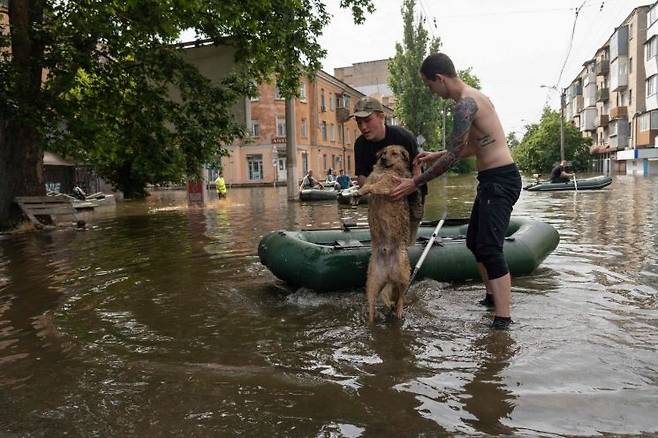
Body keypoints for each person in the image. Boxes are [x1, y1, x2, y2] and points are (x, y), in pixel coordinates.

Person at [390, 53, 522, 330]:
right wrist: (435, 154)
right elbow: (473, 147)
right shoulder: (476, 98)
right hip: (492, 180)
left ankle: (503, 319)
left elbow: (453, 157)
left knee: (488, 246)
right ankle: (491, 298)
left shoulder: (464, 105)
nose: (432, 92)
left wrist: (414, 182)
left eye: (429, 86)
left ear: (439, 78)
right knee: (475, 241)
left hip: (500, 180)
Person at [351, 96, 426, 244]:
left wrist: (410, 185)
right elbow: (361, 177)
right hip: (380, 197)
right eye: (359, 122)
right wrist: (374, 189)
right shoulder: (360, 144)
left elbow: (418, 171)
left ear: (381, 117)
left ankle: (410, 245)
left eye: (367, 121)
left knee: (405, 243)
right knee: (383, 241)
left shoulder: (404, 137)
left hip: (411, 194)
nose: (363, 127)